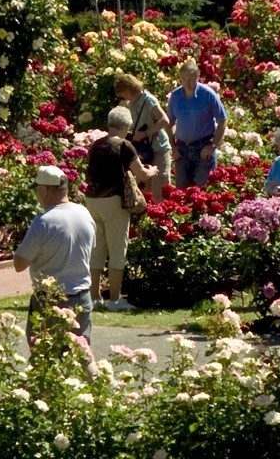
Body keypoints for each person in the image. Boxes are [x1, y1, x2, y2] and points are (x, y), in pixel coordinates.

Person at [84, 106, 159, 311]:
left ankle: (94, 297)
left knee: (97, 249)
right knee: (117, 249)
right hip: (113, 200)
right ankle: (115, 299)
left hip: (92, 200)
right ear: (126, 126)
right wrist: (153, 171)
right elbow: (141, 173)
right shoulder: (125, 146)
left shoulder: (96, 145)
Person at [13, 165, 96, 344]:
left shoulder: (43, 222)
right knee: (80, 352)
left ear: (44, 190)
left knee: (44, 352)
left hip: (51, 300)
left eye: (37, 189)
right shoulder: (84, 213)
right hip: (82, 297)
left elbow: (19, 264)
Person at [166, 59, 227, 188]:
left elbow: (222, 119)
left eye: (191, 79)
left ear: (197, 78)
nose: (187, 83)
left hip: (203, 148)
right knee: (181, 191)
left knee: (202, 190)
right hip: (182, 149)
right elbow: (169, 123)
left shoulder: (207, 94)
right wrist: (173, 147)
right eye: (184, 79)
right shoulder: (176, 96)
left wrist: (213, 145)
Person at [116, 73, 172, 202]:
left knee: (160, 188)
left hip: (159, 147)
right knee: (143, 188)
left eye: (124, 94)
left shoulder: (149, 100)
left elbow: (165, 121)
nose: (124, 97)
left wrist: (145, 133)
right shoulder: (130, 104)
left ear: (130, 89)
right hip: (143, 149)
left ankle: (163, 212)